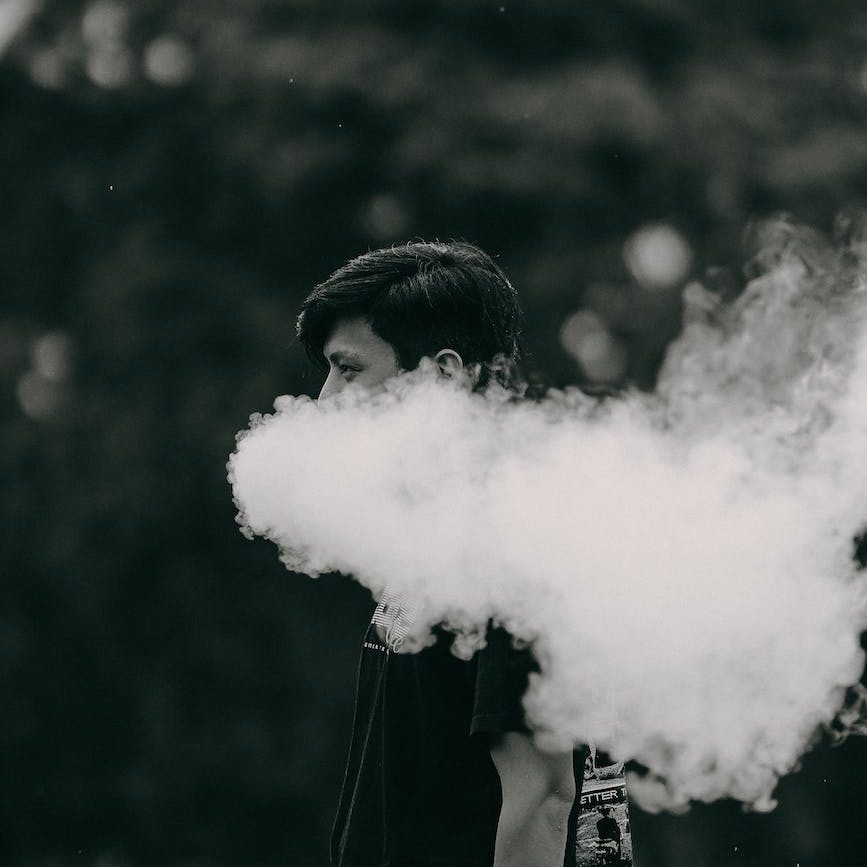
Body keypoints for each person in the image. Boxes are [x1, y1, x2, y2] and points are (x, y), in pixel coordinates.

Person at [296, 240, 587, 867]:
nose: (325, 399)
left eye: (349, 370)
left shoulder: (507, 538)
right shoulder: (444, 533)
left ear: (445, 374)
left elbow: (546, 799)